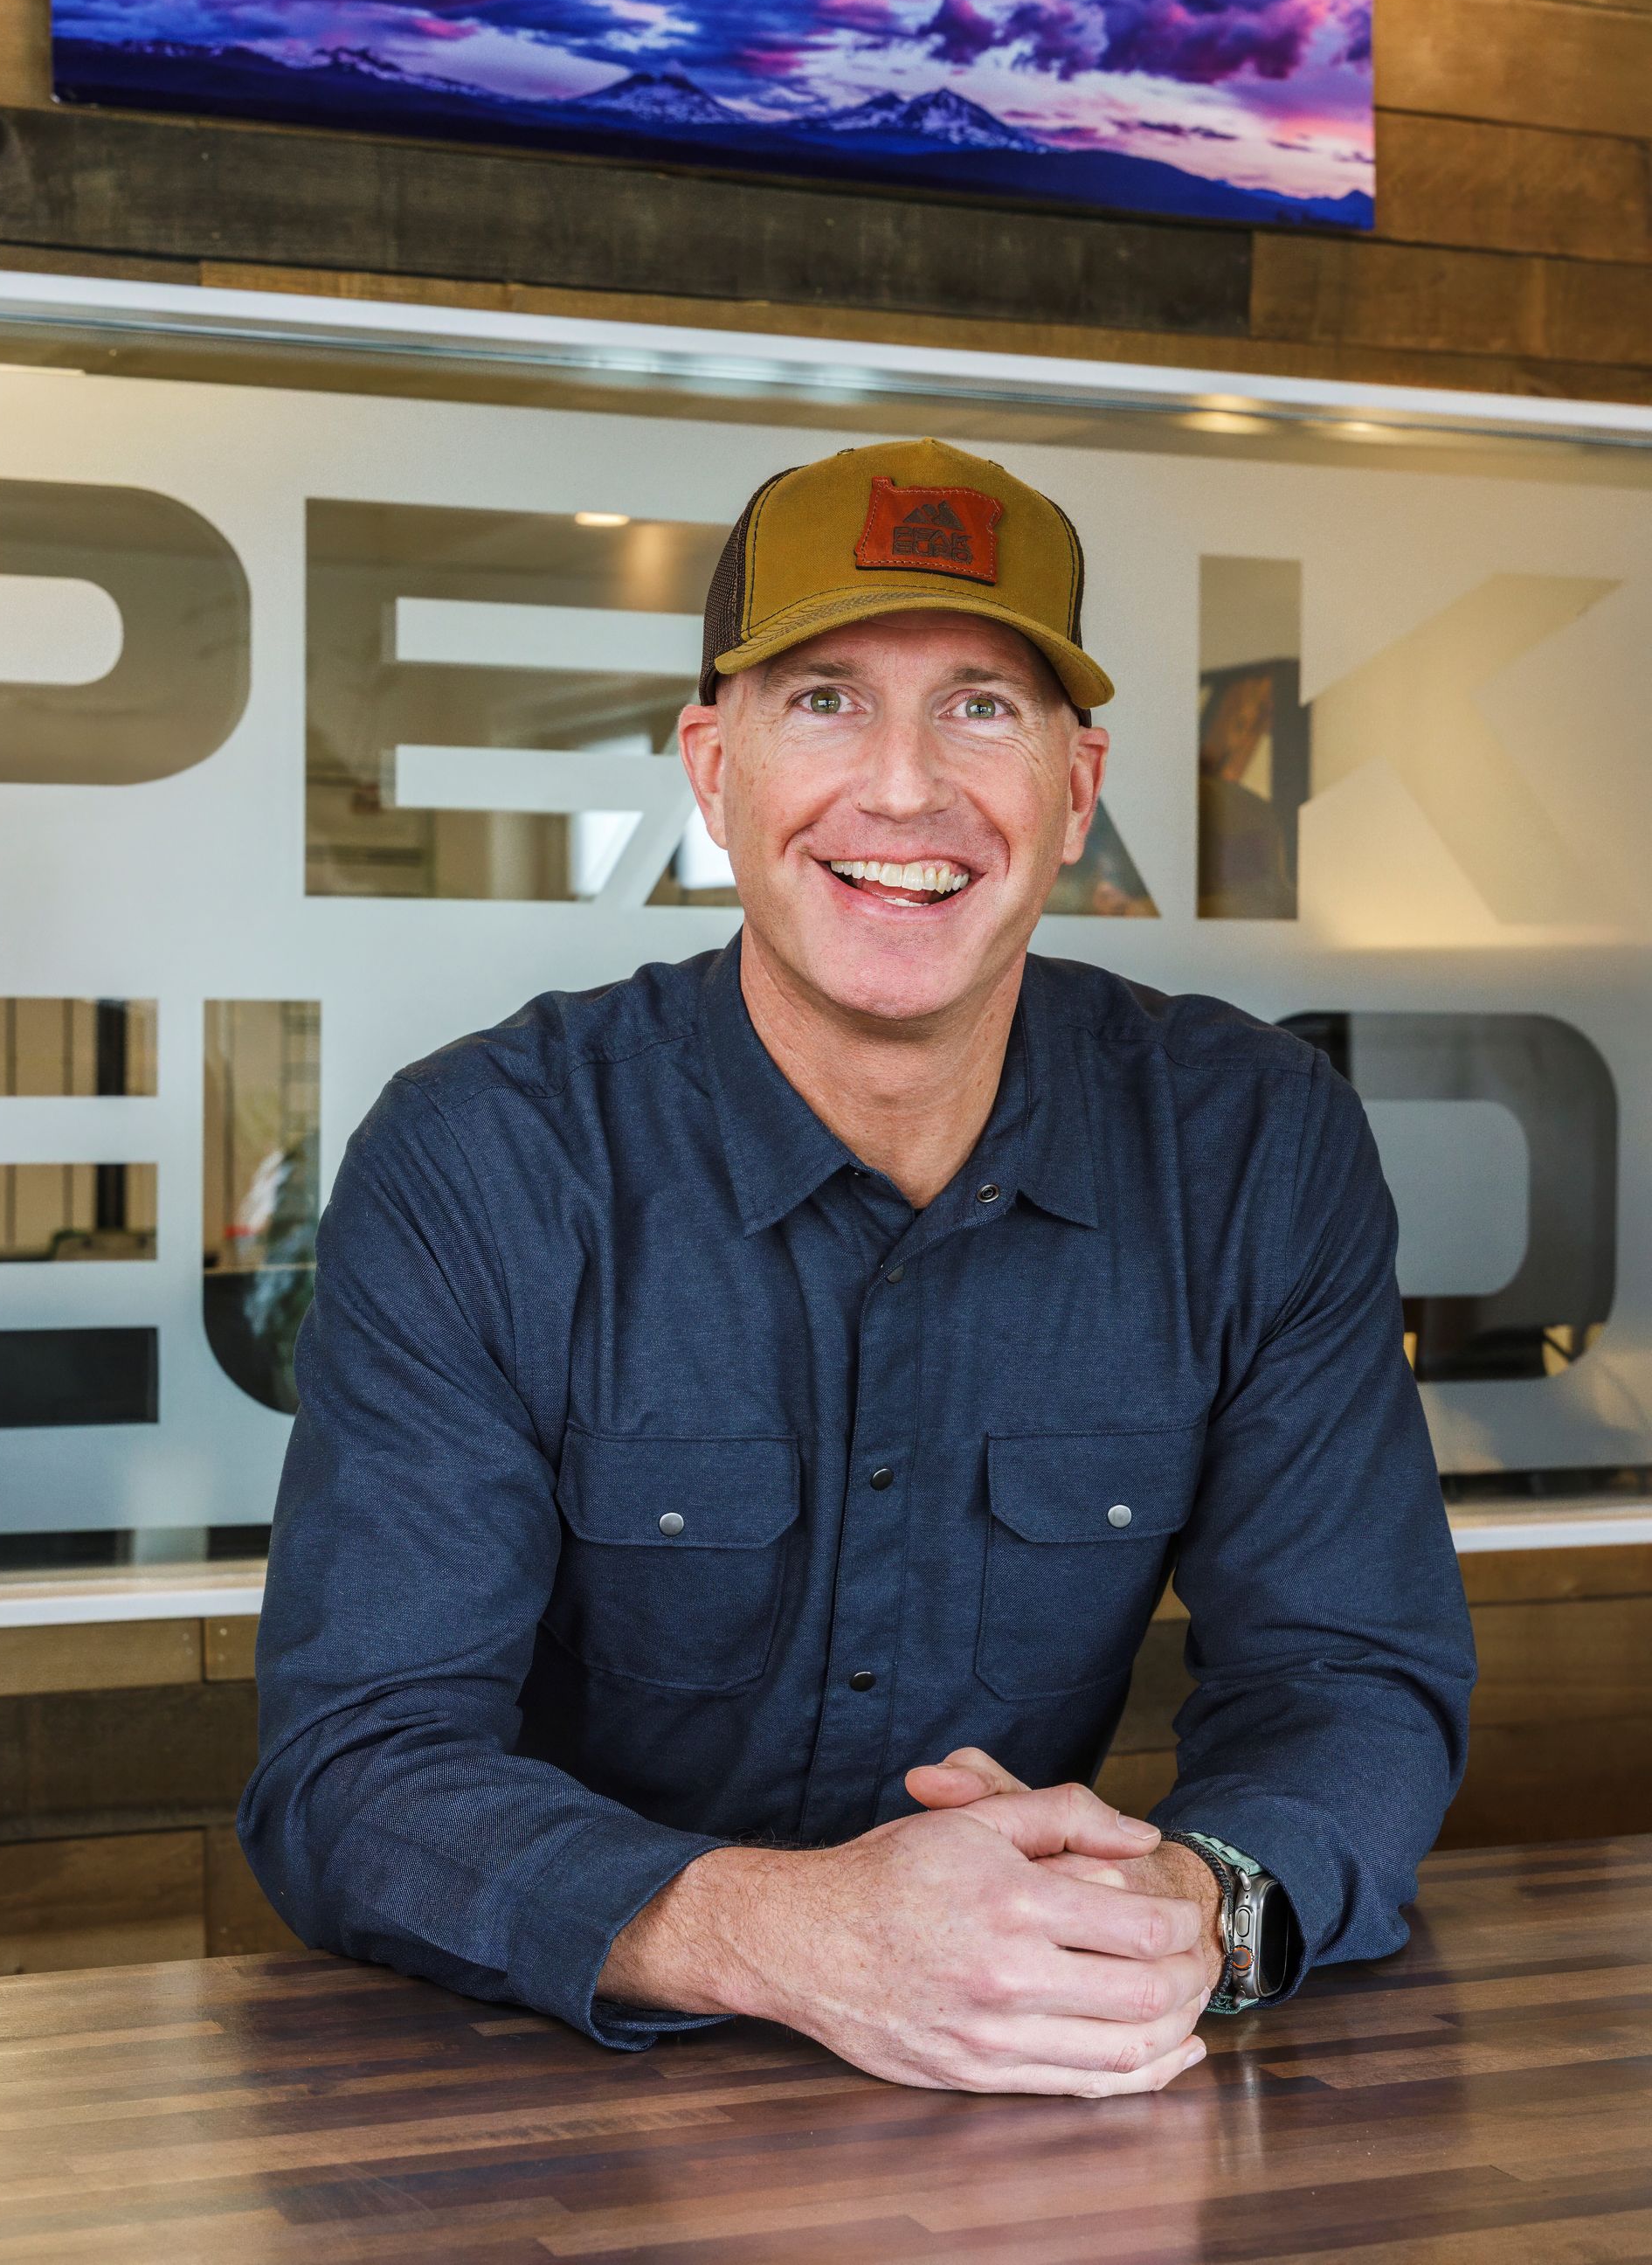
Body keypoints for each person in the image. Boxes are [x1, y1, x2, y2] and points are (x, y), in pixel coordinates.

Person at [241, 439, 1475, 2101]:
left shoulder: (1252, 1149)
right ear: (711, 766)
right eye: (825, 700)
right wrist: (798, 1933)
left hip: (1054, 2101)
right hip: (550, 2124)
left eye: (981, 706)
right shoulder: (486, 1160)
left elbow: (1350, 1672)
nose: (904, 790)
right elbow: (355, 1770)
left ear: (1078, 782)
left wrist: (1194, 1905)